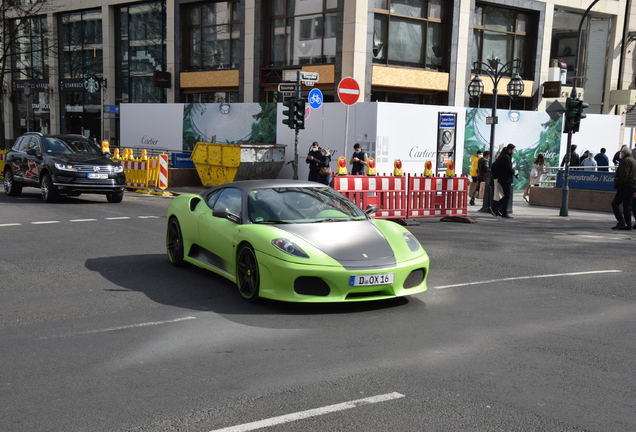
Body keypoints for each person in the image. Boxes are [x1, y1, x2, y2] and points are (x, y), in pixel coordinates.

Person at [611, 145, 636, 230]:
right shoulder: (633, 161)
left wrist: (619, 183)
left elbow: (623, 175)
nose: (620, 154)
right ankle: (628, 224)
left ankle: (621, 222)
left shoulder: (625, 161)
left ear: (624, 153)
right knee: (627, 205)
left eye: (621, 152)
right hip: (632, 186)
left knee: (615, 203)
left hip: (625, 185)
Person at [491, 143, 516, 218]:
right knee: (507, 195)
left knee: (506, 195)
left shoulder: (505, 157)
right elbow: (508, 169)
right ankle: (501, 210)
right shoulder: (506, 157)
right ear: (509, 150)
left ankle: (496, 207)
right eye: (513, 150)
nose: (513, 151)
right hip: (505, 179)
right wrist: (514, 172)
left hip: (503, 178)